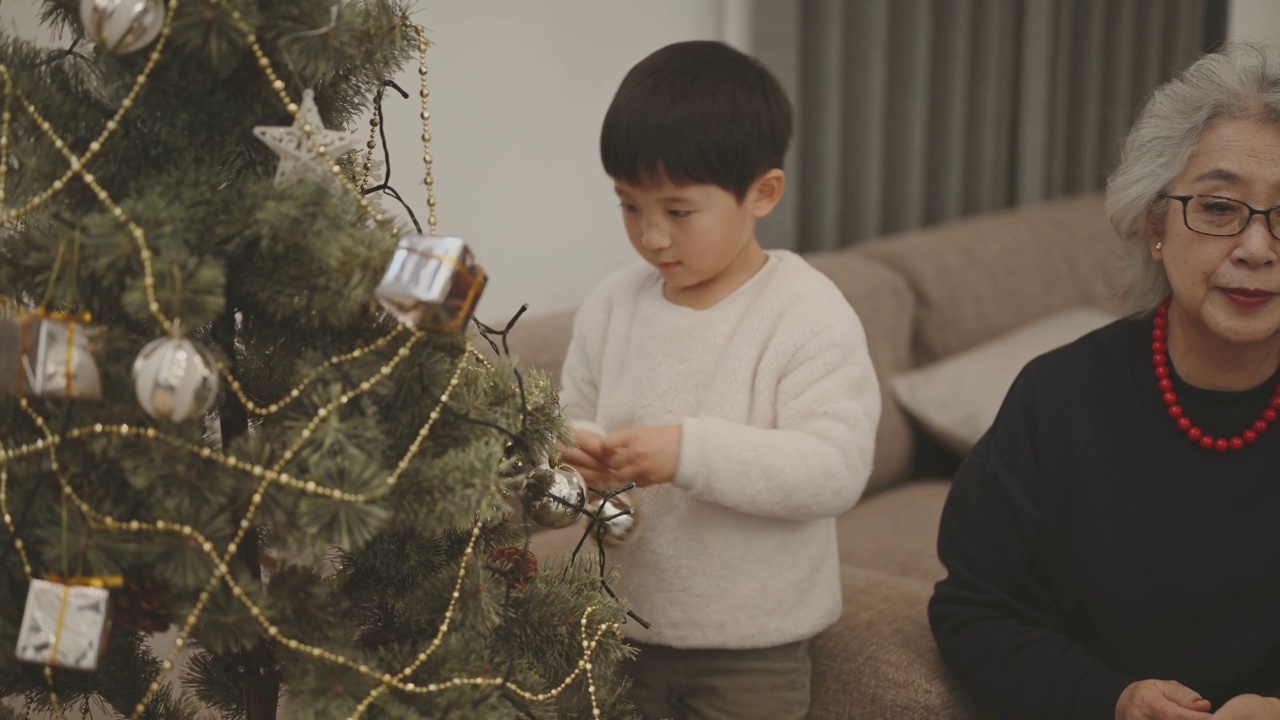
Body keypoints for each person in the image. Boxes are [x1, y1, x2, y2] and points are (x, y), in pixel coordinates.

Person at [928, 41, 1280, 720]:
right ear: (1155, 226)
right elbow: (976, 609)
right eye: (1217, 207)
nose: (1257, 248)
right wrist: (1111, 699)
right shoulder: (1058, 399)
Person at [556, 40, 881, 720]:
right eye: (629, 206)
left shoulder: (805, 312)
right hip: (622, 627)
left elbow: (835, 468)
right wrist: (576, 452)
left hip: (752, 649)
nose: (651, 238)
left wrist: (688, 453)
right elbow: (570, 417)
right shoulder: (614, 305)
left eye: (677, 212)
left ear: (762, 193)